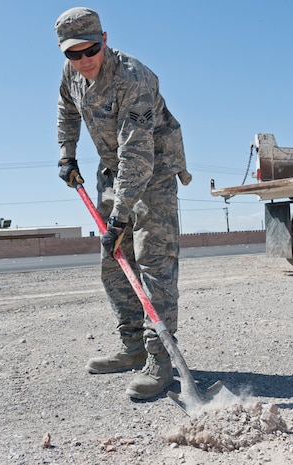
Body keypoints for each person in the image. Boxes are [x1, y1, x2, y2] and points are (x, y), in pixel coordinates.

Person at [54, 7, 192, 400]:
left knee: (153, 260)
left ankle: (160, 359)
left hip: (155, 170)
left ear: (105, 39)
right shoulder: (72, 74)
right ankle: (132, 346)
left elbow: (139, 154)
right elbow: (66, 109)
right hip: (115, 170)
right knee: (113, 261)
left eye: (90, 49)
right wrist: (67, 154)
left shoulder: (135, 78)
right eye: (73, 54)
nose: (84, 60)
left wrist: (119, 215)